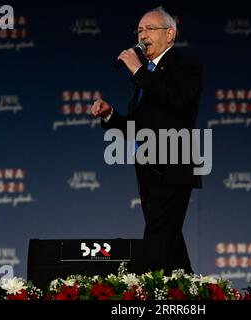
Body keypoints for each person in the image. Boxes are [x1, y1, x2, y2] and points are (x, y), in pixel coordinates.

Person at [91, 7, 202, 275]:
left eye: (149, 29)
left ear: (170, 34)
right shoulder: (145, 77)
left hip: (174, 165)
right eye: (139, 30)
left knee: (157, 241)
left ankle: (141, 293)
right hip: (148, 170)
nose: (142, 35)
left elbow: (177, 100)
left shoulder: (185, 65)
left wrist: (139, 70)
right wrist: (110, 116)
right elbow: (137, 128)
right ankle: (188, 289)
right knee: (169, 243)